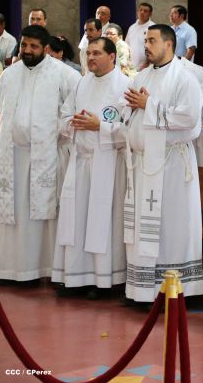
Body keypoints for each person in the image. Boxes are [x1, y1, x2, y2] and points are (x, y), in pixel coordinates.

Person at [121, 24, 203, 302]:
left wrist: (149, 105)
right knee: (142, 227)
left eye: (152, 40)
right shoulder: (141, 75)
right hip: (144, 163)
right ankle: (143, 289)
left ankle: (173, 291)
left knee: (171, 227)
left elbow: (189, 118)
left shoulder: (185, 78)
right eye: (145, 40)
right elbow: (127, 111)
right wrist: (132, 109)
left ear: (169, 44)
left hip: (171, 166)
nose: (146, 45)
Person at [0, 25, 79, 281]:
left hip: (47, 156)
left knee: (42, 213)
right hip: (12, 156)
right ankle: (9, 268)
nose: (27, 50)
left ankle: (42, 269)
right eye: (24, 45)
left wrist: (58, 133)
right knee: (12, 213)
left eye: (33, 46)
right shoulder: (9, 75)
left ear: (45, 48)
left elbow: (74, 112)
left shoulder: (64, 75)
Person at [52, 37, 131, 296]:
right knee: (75, 219)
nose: (91, 58)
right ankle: (75, 276)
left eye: (97, 53)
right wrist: (73, 123)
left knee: (102, 221)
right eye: (89, 54)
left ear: (112, 57)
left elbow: (131, 132)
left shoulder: (125, 87)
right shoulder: (81, 83)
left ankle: (104, 281)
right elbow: (63, 117)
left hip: (108, 163)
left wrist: (101, 127)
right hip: (80, 159)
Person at [126, 2, 154, 70]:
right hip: (131, 66)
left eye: (145, 11)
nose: (142, 12)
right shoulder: (132, 27)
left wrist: (147, 62)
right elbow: (126, 45)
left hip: (146, 66)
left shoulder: (153, 27)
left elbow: (154, 47)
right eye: (140, 10)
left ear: (150, 14)